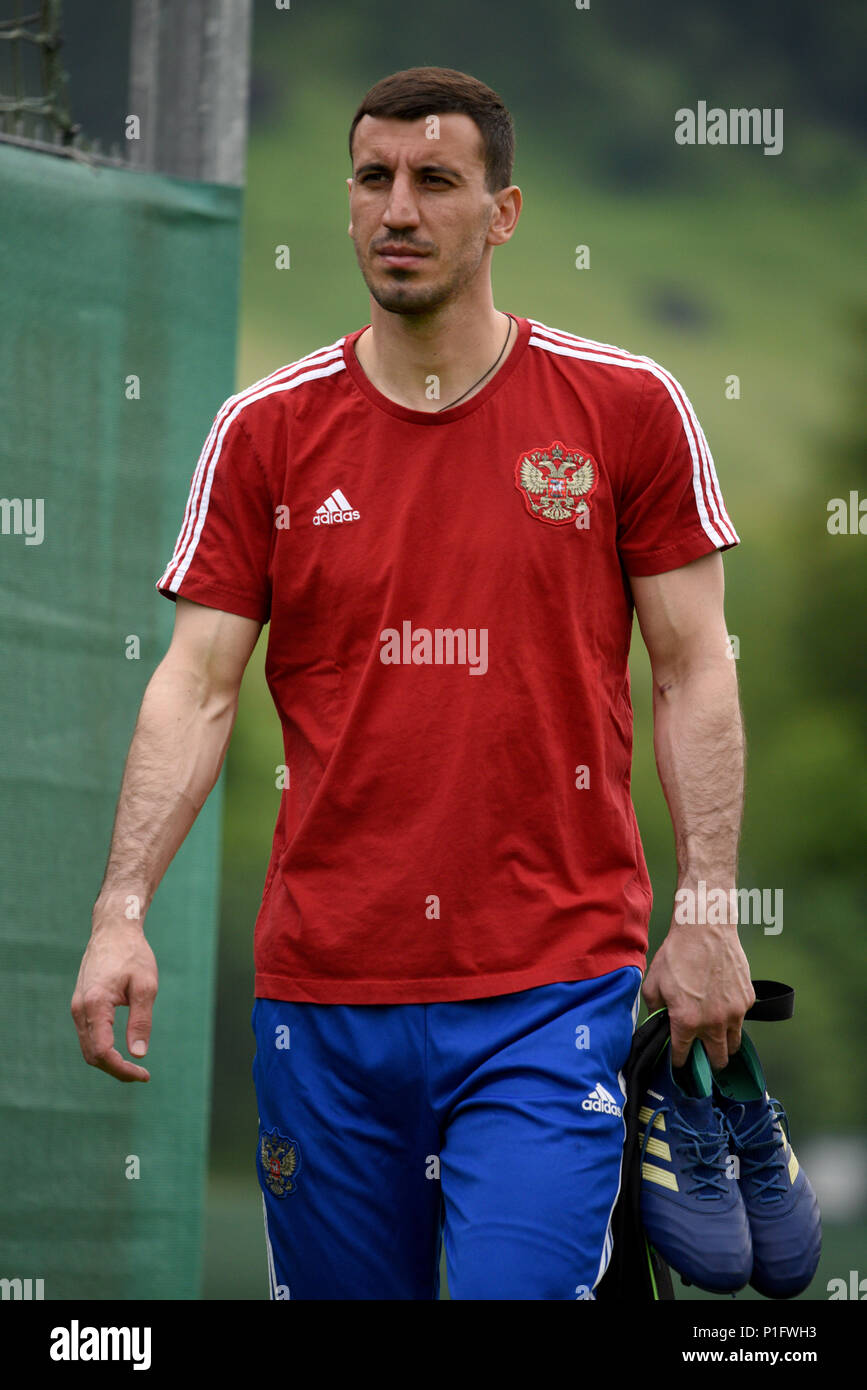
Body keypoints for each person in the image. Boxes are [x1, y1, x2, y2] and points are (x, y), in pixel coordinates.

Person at [71, 65, 755, 1300]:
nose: (399, 208)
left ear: (503, 213)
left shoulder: (627, 408)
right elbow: (198, 684)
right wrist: (124, 907)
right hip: (322, 1001)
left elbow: (697, 669)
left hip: (551, 992)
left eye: (436, 180)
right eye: (374, 178)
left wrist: (710, 907)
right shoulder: (264, 432)